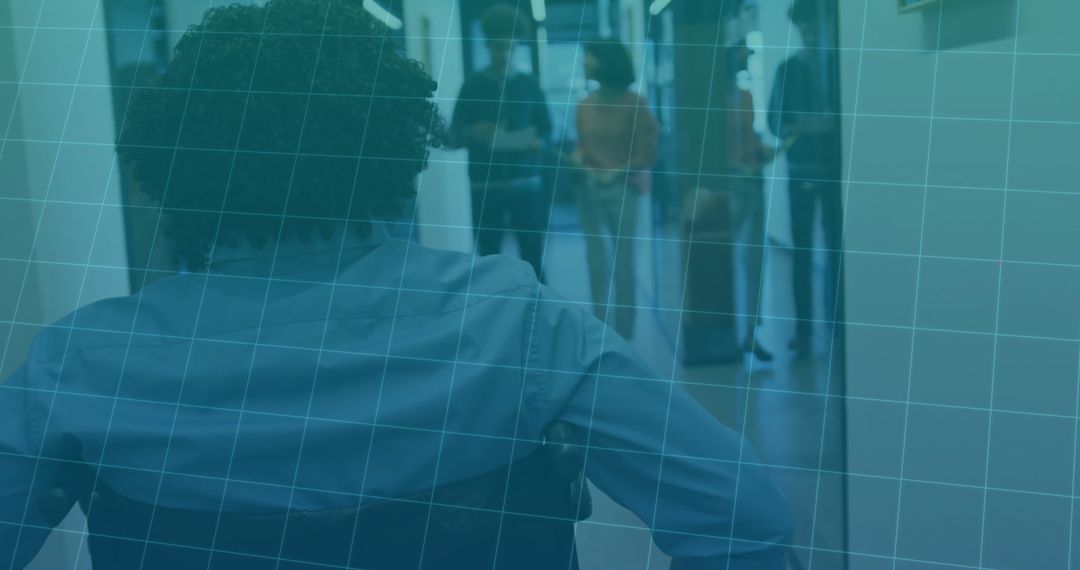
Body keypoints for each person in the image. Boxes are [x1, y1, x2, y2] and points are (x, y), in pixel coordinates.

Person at [0, 1, 791, 568]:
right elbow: (744, 519)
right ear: (390, 151)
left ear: (168, 167)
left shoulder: (81, 365)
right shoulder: (511, 322)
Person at [449, 3, 552, 281]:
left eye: (510, 48)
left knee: (533, 259)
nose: (503, 55)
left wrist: (538, 143)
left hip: (525, 185)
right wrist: (473, 132)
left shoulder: (530, 84)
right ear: (487, 46)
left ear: (516, 47)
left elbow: (547, 129)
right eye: (497, 47)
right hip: (485, 187)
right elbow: (451, 137)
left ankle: (538, 313)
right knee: (488, 261)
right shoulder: (472, 86)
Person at [768, 0, 843, 357]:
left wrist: (812, 124)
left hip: (834, 173)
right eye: (804, 27)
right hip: (800, 174)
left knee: (837, 250)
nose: (810, 33)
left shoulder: (838, 64)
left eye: (814, 26)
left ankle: (839, 325)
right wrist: (813, 125)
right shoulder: (788, 70)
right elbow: (775, 122)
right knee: (802, 253)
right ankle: (804, 330)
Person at [574, 39, 659, 340]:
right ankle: (600, 332)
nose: (584, 62)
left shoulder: (635, 104)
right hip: (591, 192)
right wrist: (582, 165)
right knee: (596, 266)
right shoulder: (584, 106)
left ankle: (625, 335)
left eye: (588, 56)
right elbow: (581, 149)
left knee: (624, 267)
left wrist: (614, 173)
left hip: (624, 192)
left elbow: (646, 154)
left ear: (604, 61)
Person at [725, 40, 789, 363]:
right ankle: (731, 329)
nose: (746, 59)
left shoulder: (746, 95)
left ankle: (750, 332)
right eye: (740, 53)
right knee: (727, 261)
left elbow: (749, 140)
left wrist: (766, 151)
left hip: (751, 182)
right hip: (728, 186)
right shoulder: (711, 96)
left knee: (752, 260)